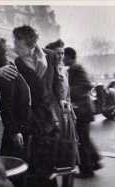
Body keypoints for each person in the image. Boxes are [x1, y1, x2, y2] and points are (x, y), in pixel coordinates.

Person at [0, 26, 74, 187]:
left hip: (47, 120)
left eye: (19, 45)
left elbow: (56, 80)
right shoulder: (13, 63)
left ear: (31, 46)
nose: (15, 48)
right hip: (23, 121)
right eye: (15, 43)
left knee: (45, 170)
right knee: (23, 170)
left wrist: (61, 99)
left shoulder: (50, 56)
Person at [0, 38, 31, 158]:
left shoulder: (12, 67)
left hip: (21, 125)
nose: (13, 49)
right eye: (9, 48)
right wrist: (15, 132)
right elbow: (5, 107)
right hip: (17, 127)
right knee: (15, 164)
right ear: (6, 54)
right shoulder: (8, 73)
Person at [64, 47, 102, 178]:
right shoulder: (75, 68)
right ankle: (95, 162)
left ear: (69, 57)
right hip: (84, 110)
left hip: (82, 110)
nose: (62, 59)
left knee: (81, 141)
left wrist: (68, 91)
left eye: (64, 56)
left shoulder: (75, 69)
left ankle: (87, 170)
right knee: (84, 139)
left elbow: (86, 85)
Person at [45, 39, 77, 186]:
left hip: (67, 115)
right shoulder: (48, 70)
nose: (60, 56)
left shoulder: (64, 70)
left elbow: (68, 93)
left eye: (62, 53)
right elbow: (48, 94)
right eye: (57, 53)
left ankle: (67, 182)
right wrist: (53, 114)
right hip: (55, 115)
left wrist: (71, 110)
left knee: (70, 152)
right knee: (56, 153)